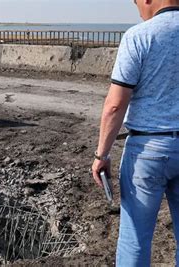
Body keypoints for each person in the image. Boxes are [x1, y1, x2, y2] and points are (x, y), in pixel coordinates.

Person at [91, 0, 179, 265]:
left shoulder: (139, 36)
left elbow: (115, 105)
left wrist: (101, 154)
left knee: (135, 239)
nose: (138, 8)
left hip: (147, 151)